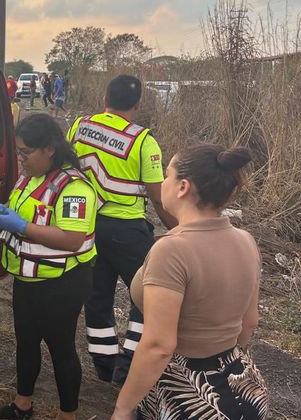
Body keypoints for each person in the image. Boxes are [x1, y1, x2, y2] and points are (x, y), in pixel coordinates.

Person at [112, 145, 267, 419]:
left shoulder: (171, 250)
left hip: (186, 395)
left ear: (182, 187)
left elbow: (159, 346)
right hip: (241, 389)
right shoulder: (247, 241)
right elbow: (249, 321)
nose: (162, 182)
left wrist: (123, 407)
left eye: (166, 175)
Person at [66, 75, 177, 385]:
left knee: (98, 295)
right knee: (147, 297)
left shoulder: (80, 126)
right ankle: (129, 364)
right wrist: (180, 230)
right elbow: (157, 196)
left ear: (105, 100)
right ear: (138, 104)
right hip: (128, 230)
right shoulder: (144, 141)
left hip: (88, 225)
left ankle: (104, 364)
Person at [0, 114, 97, 420]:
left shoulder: (74, 187)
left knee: (61, 348)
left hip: (63, 283)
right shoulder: (31, 177)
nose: (21, 160)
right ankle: (23, 405)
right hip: (29, 278)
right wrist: (5, 216)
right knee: (26, 341)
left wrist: (21, 225)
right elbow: (31, 215)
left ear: (49, 149)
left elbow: (72, 239)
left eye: (25, 153)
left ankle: (68, 414)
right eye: (18, 152)